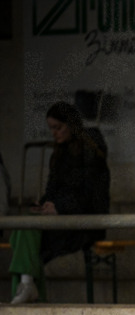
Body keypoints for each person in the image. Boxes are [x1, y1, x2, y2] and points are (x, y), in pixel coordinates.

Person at [8, 102, 109, 304]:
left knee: (27, 235)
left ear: (71, 125)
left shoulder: (90, 151)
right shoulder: (59, 154)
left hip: (85, 221)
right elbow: (53, 189)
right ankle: (28, 286)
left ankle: (28, 287)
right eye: (51, 129)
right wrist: (44, 204)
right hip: (61, 216)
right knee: (22, 228)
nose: (54, 133)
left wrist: (59, 207)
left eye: (58, 127)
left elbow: (90, 194)